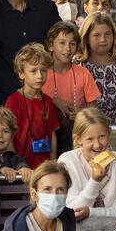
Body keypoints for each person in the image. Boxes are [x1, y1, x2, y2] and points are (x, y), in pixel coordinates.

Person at [43, 21, 101, 155]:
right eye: (62, 43)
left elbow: (94, 109)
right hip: (47, 134)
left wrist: (81, 112)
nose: (67, 49)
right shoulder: (43, 73)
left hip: (76, 134)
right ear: (51, 46)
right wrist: (54, 100)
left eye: (72, 44)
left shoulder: (83, 73)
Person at [6, 43, 59, 168]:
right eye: (33, 71)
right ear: (21, 74)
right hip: (22, 168)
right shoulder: (13, 102)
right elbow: (8, 136)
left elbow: (52, 135)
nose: (40, 76)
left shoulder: (47, 101)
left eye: (43, 70)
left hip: (44, 167)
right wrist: (16, 165)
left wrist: (53, 162)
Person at [78, 11, 116, 126]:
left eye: (107, 34)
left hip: (114, 135)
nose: (103, 39)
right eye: (96, 35)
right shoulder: (77, 66)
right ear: (87, 38)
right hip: (84, 134)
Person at [0, 107, 32, 184]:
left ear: (12, 136)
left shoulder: (15, 158)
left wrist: (24, 169)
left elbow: (21, 164)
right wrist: (1, 168)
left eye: (5, 131)